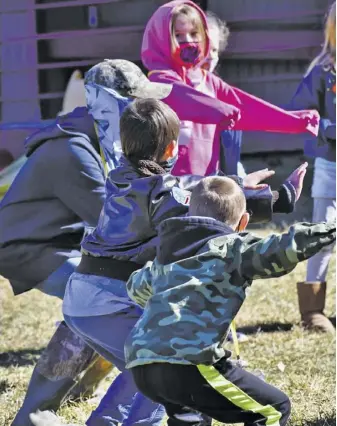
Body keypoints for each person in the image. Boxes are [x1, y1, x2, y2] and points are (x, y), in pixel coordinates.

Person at [35, 97, 306, 426]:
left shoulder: (121, 177)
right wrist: (280, 198)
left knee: (144, 374)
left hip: (83, 295)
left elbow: (192, 189)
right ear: (171, 148)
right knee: (165, 368)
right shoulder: (160, 194)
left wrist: (235, 184)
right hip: (109, 298)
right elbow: (203, 205)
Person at [1, 59, 173, 426]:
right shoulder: (74, 150)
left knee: (99, 299)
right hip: (24, 245)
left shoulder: (97, 136)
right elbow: (114, 221)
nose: (145, 112)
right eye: (135, 102)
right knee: (98, 297)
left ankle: (78, 391)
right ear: (106, 102)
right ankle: (36, 409)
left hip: (56, 239)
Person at [125, 176, 336, 426]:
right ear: (243, 221)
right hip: (190, 361)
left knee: (190, 416)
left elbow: (135, 287)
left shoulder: (166, 256)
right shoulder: (231, 249)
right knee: (273, 410)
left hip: (141, 364)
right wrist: (331, 230)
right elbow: (283, 248)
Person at [141, 0, 320, 177]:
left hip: (207, 183)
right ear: (161, 38)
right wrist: (222, 110)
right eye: (178, 35)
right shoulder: (159, 80)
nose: (188, 41)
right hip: (170, 186)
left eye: (194, 34)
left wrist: (296, 121)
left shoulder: (209, 82)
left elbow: (245, 107)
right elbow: (184, 97)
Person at [291, 2, 336, 333]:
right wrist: (329, 129)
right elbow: (301, 114)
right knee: (324, 233)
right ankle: (313, 312)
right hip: (330, 165)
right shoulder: (323, 72)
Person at [203, 11, 246, 178]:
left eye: (214, 50)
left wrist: (240, 181)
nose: (211, 56)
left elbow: (231, 159)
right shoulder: (169, 97)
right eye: (205, 48)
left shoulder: (226, 98)